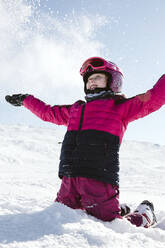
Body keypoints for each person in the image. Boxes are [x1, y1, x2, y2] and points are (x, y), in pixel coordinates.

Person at [5, 57, 165, 228]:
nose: (92, 82)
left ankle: (145, 214)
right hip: (69, 179)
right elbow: (47, 112)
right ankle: (120, 208)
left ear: (112, 81)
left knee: (112, 226)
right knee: (60, 215)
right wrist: (26, 99)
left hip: (98, 179)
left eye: (97, 77)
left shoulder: (120, 108)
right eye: (89, 79)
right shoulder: (76, 109)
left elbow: (154, 98)